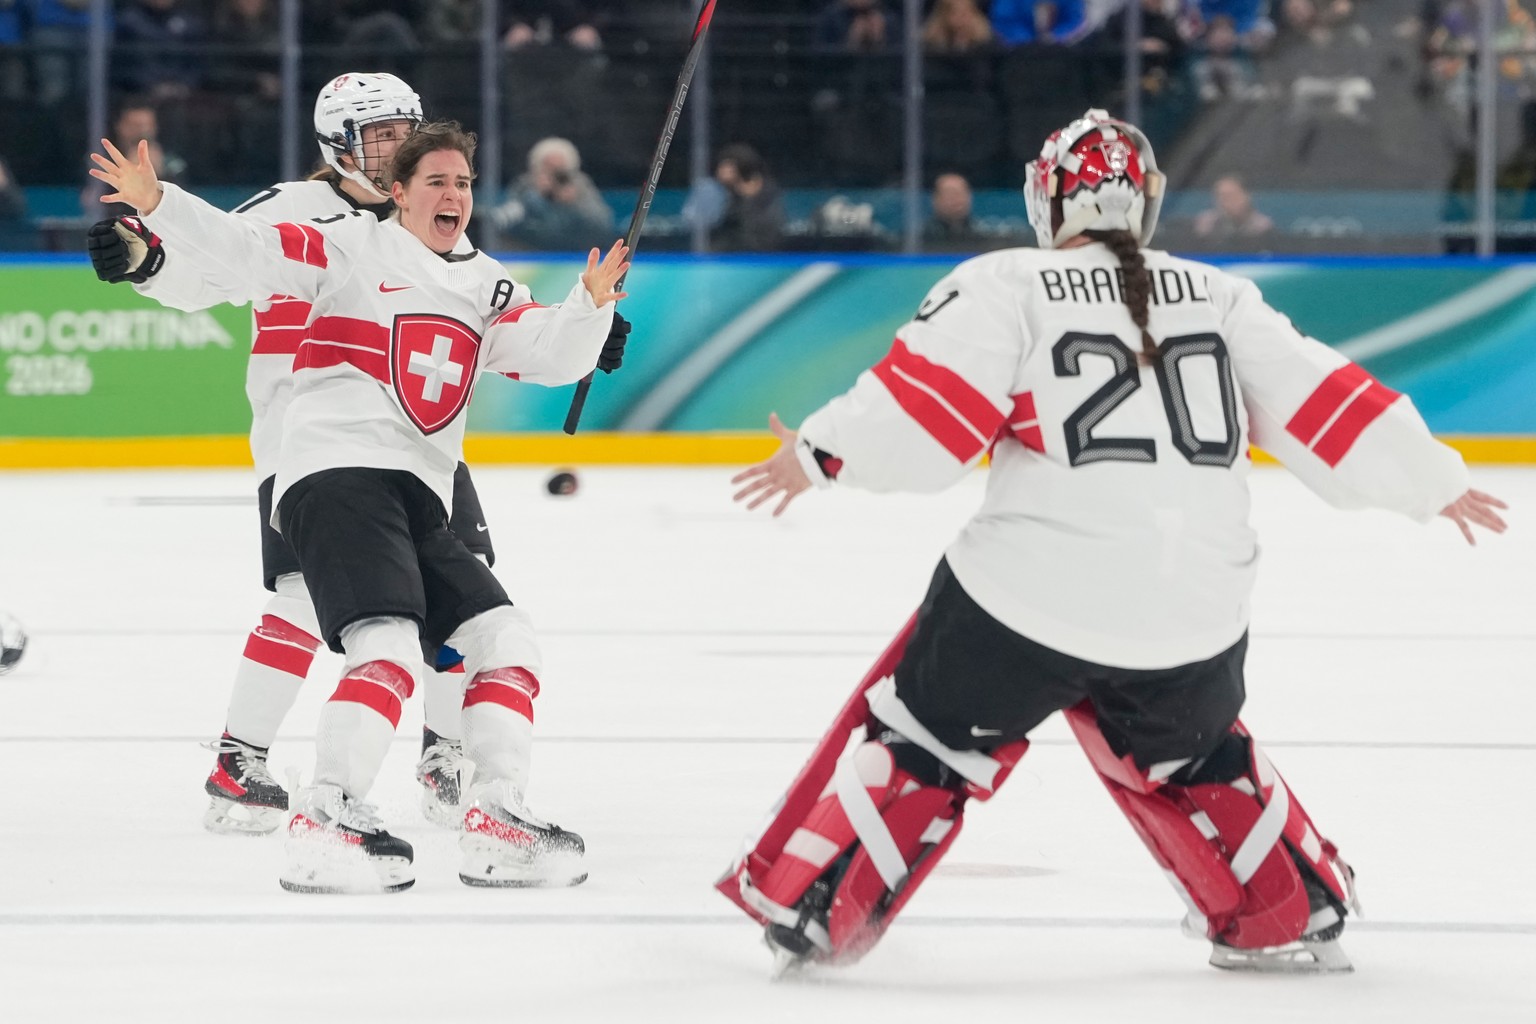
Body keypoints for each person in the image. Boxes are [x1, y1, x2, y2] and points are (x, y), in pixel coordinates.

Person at [720, 109, 1507, 974]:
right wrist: (1434, 482)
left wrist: (818, 455)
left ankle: (819, 906)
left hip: (1027, 604)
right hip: (1197, 613)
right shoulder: (1222, 294)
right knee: (1193, 746)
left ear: (1047, 202)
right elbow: (1326, 401)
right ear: (1148, 203)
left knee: (928, 731)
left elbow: (922, 419)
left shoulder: (1008, 284)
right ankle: (1290, 909)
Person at [91, 120, 630, 893]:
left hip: (419, 489)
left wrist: (590, 307)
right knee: (387, 643)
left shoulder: (485, 283)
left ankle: (498, 814)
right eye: (437, 181)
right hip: (335, 472)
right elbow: (246, 252)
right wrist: (163, 205)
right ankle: (329, 813)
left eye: (465, 183)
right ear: (399, 194)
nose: (454, 195)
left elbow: (550, 353)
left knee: (506, 639)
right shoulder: (346, 246)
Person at [488, 136, 614, 252]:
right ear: (536, 167)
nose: (554, 175)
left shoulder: (580, 186)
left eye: (560, 170)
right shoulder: (525, 186)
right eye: (548, 168)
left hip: (574, 254)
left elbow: (603, 223)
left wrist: (574, 204)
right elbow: (505, 222)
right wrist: (536, 196)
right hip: (530, 253)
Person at [709, 143, 785, 253]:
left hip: (761, 258)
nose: (718, 171)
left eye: (724, 166)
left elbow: (770, 235)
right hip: (727, 258)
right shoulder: (722, 195)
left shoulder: (769, 197)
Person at [1192, 174, 1275, 241]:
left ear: (1247, 196)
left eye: (1231, 195)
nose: (1225, 201)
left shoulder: (1263, 226)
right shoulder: (1205, 224)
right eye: (1221, 196)